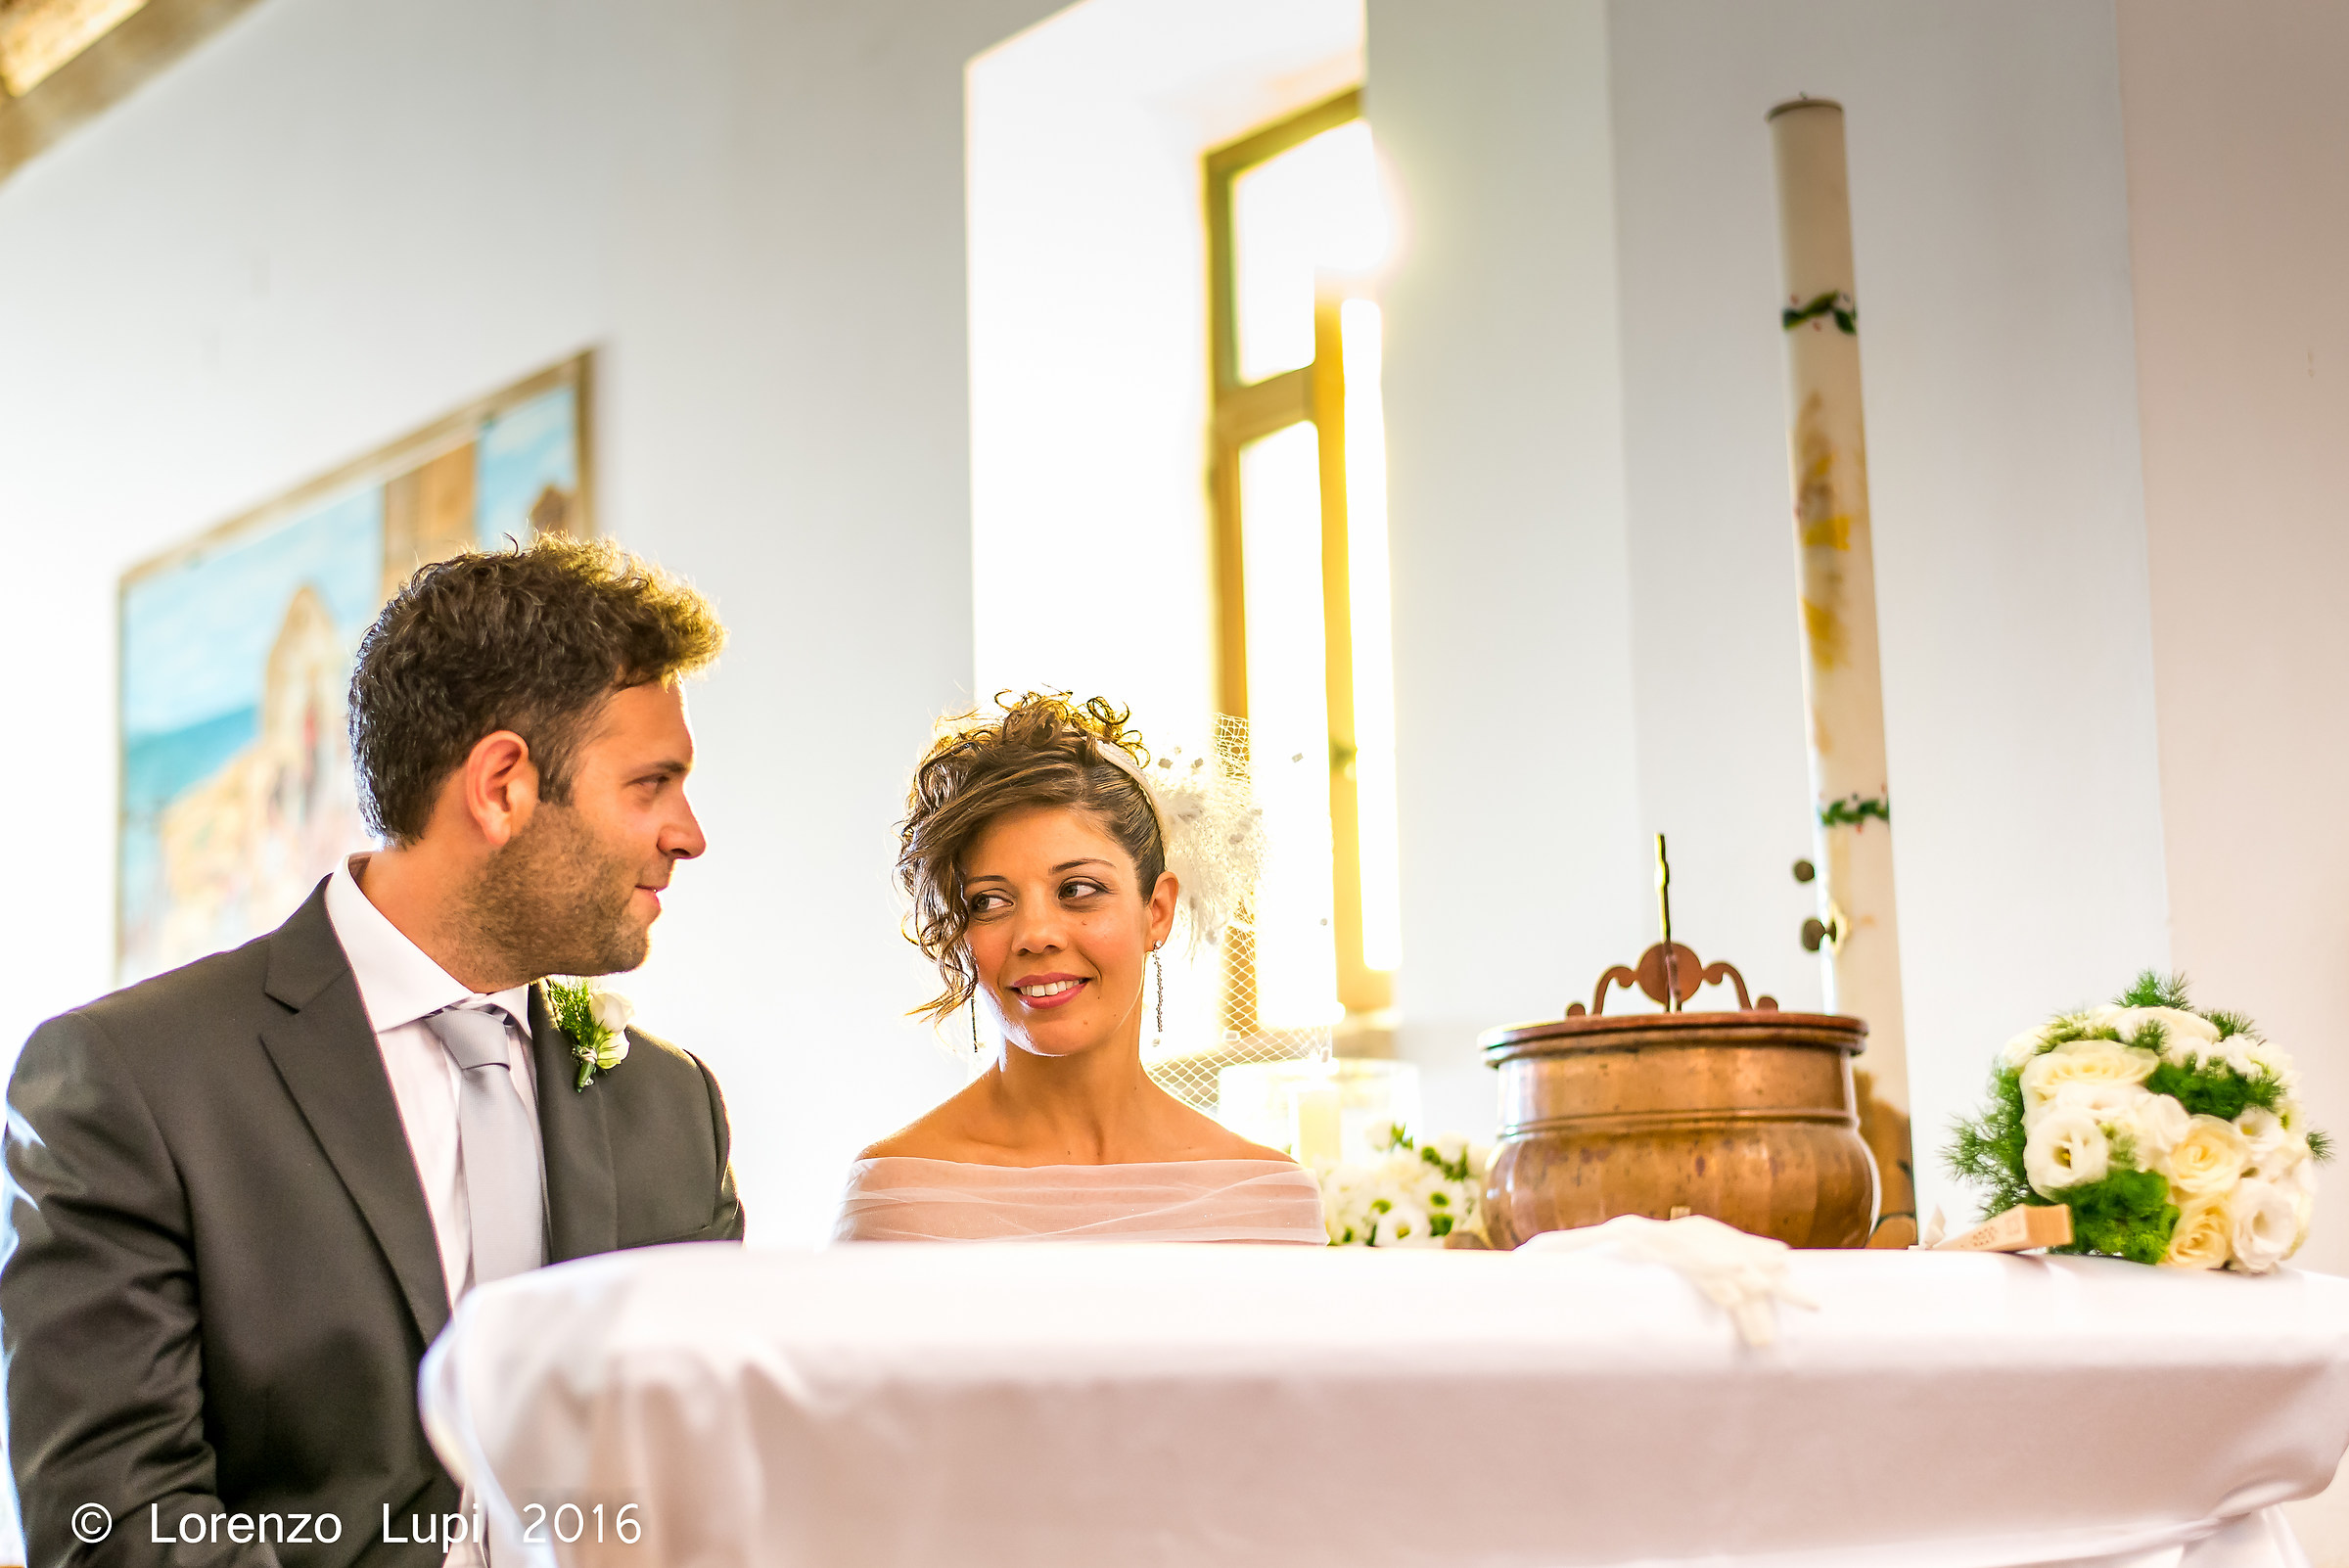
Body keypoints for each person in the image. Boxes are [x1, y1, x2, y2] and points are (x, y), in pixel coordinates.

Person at [2, 537, 745, 1566]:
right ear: (501, 787)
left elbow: (714, 1483)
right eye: (652, 783)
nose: (689, 832)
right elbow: (119, 1530)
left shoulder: (672, 1105)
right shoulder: (131, 1085)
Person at [833, 693, 1325, 1244]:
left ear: (1156, 910)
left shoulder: (1263, 1198)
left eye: (1078, 890)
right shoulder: (899, 1196)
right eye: (990, 902)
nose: (1036, 935)